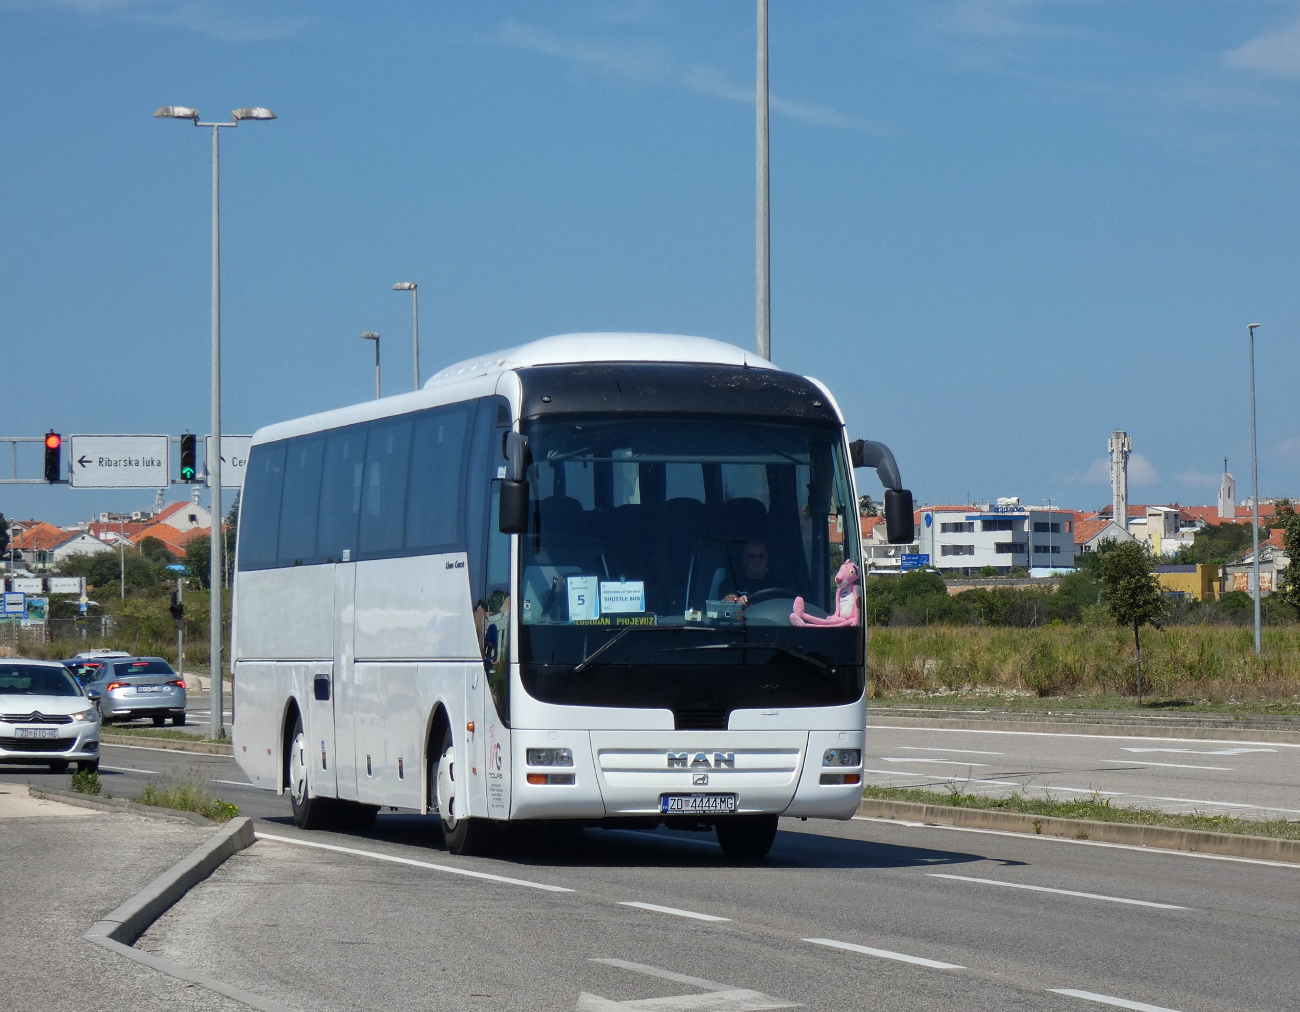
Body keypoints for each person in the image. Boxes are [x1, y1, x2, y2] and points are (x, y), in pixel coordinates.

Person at [723, 539, 779, 604]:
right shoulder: (731, 584)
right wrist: (734, 601)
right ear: (744, 559)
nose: (757, 560)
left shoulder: (778, 585)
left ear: (767, 558)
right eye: (751, 556)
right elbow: (728, 600)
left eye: (761, 556)